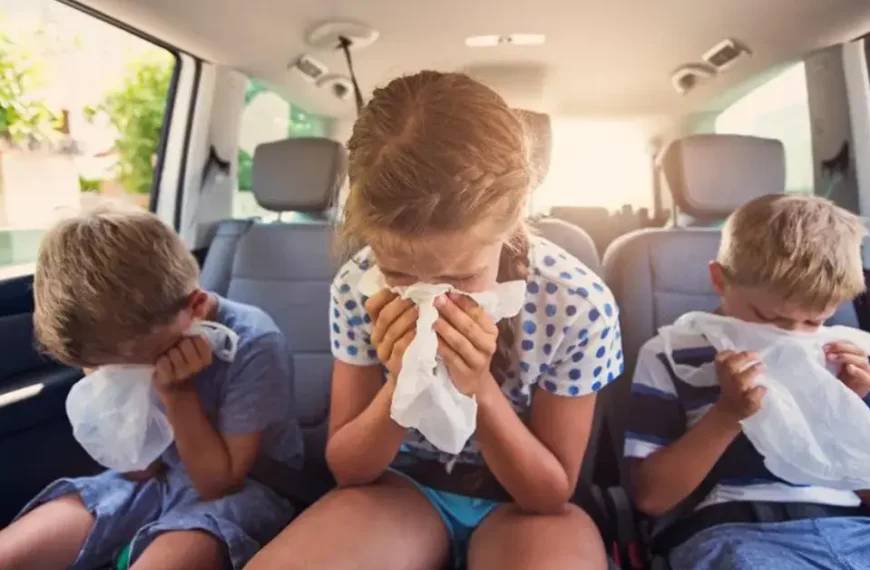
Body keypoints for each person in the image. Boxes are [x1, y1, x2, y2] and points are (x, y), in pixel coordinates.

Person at [246, 71, 623, 570]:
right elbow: (349, 468)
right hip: (402, 486)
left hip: (521, 507)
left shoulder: (577, 304)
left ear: (512, 221)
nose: (429, 296)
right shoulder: (357, 288)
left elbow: (548, 494)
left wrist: (479, 388)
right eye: (398, 271)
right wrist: (401, 382)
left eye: (462, 276)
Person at [0, 206, 302, 570]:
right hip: (159, 478)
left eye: (142, 360)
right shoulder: (120, 347)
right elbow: (139, 469)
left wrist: (179, 395)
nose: (126, 373)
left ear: (196, 307)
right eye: (107, 368)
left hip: (246, 490)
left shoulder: (255, 343)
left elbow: (218, 486)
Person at [625, 194, 870, 570]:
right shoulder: (671, 354)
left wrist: (845, 410)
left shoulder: (845, 356)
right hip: (736, 530)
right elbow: (651, 498)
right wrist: (727, 415)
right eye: (769, 317)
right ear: (719, 279)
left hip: (852, 527)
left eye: (814, 322)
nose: (792, 334)